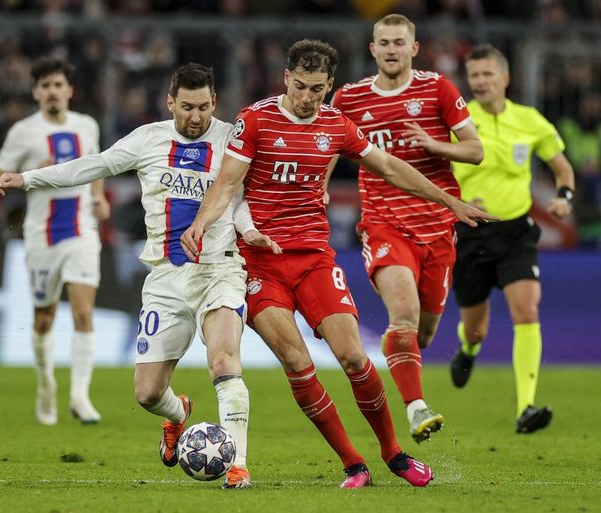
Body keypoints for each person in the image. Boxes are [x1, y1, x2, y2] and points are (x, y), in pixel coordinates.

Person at [181, 39, 496, 489]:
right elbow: (228, 183)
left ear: (329, 86)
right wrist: (200, 223)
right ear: (286, 77)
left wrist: (449, 199)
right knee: (297, 362)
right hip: (260, 264)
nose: (307, 98)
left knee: (352, 357)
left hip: (313, 259)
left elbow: (388, 166)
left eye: (317, 89)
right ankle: (353, 464)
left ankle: (393, 453)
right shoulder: (256, 120)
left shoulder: (337, 124)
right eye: (300, 86)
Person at [0, 63, 279, 489]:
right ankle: (179, 414)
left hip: (219, 269)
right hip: (164, 278)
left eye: (203, 107)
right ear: (170, 103)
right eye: (186, 107)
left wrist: (250, 230)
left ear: (214, 102)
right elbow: (94, 166)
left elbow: (236, 196)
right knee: (147, 394)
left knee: (223, 360)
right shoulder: (149, 139)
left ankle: (238, 465)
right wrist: (28, 179)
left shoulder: (231, 139)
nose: (196, 116)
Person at [331, 13, 483, 443]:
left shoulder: (437, 89)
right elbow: (322, 143)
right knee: (404, 316)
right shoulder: (351, 98)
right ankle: (416, 410)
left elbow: (475, 150)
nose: (392, 49)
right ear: (372, 49)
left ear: (414, 48)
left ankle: (405, 364)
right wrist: (319, 189)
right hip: (383, 225)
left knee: (424, 333)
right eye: (384, 42)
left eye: (400, 42)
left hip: (437, 228)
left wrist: (435, 145)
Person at [448, 44, 575, 434]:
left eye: (488, 74)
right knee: (476, 328)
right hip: (471, 233)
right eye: (475, 76)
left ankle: (526, 407)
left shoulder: (530, 120)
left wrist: (564, 196)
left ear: (505, 78)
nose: (481, 82)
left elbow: (561, 166)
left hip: (516, 231)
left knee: (527, 311)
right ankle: (468, 349)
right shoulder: (458, 120)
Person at [0, 56, 110, 426]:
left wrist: (99, 195)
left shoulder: (87, 126)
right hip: (42, 235)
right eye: (45, 86)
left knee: (83, 312)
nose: (53, 92)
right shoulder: (23, 132)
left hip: (81, 230)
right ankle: (46, 384)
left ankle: (80, 396)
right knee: (43, 318)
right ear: (36, 92)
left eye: (59, 85)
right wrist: (33, 171)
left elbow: (96, 166)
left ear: (69, 91)